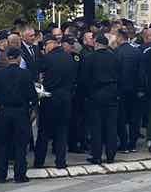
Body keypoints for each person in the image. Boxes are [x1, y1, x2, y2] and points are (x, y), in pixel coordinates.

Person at [33, 34, 76, 170]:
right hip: (65, 99)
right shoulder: (70, 58)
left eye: (45, 46)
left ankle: (39, 161)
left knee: (44, 132)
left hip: (50, 98)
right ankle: (60, 161)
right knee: (62, 132)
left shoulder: (48, 58)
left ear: (50, 44)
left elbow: (37, 71)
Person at [0, 46, 33, 183]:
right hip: (21, 112)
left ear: (7, 58)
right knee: (20, 145)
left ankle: (1, 175)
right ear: (19, 58)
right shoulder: (26, 74)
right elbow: (32, 95)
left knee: (2, 144)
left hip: (4, 112)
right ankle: (20, 174)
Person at [82, 32, 121, 164]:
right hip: (112, 94)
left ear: (96, 44)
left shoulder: (89, 58)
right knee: (111, 127)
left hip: (95, 95)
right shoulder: (114, 57)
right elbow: (120, 76)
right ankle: (111, 155)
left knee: (96, 127)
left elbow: (85, 79)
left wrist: (87, 94)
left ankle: (97, 155)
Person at [116, 28, 144, 153]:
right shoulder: (137, 52)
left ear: (119, 38)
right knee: (135, 119)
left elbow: (116, 73)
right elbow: (142, 73)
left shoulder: (117, 52)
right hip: (135, 90)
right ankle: (132, 143)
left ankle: (123, 143)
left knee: (121, 118)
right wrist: (141, 88)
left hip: (121, 90)